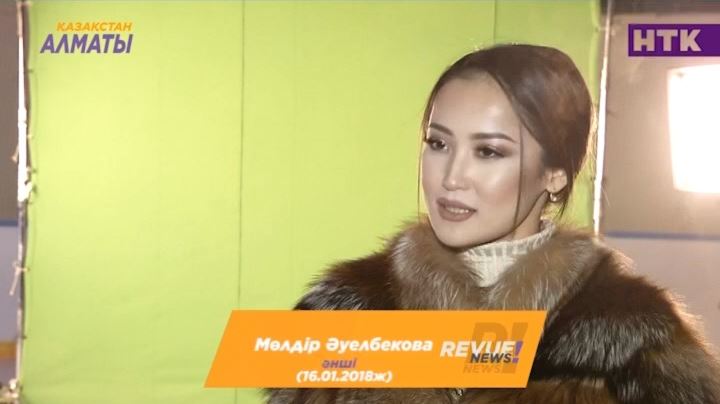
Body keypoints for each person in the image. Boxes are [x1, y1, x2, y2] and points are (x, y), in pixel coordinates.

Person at [263, 44, 720, 403]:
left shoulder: (639, 336)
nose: (451, 176)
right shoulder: (341, 309)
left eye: (488, 151)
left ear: (554, 174)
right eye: (438, 144)